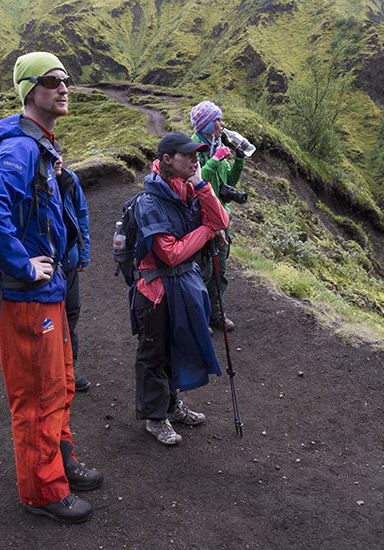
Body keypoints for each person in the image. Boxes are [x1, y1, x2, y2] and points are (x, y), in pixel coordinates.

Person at [0, 51, 102, 524]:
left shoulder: (40, 145)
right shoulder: (20, 148)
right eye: (51, 81)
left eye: (66, 79)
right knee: (38, 398)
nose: (64, 87)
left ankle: (61, 462)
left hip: (50, 296)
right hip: (27, 300)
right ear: (29, 90)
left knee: (61, 384)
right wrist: (24, 267)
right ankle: (43, 491)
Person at [131, 131, 229, 446]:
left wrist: (202, 185)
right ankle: (155, 418)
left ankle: (172, 406)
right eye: (188, 155)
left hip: (182, 285)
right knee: (154, 353)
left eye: (196, 154)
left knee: (174, 347)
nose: (194, 159)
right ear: (167, 160)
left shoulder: (187, 190)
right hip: (156, 291)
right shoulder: (149, 202)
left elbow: (221, 220)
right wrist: (205, 231)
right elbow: (169, 253)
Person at [190, 100, 246, 332]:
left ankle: (216, 313)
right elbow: (196, 182)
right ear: (206, 124)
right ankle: (199, 317)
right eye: (218, 120)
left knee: (220, 268)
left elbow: (229, 182)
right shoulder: (194, 147)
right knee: (203, 269)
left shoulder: (217, 144)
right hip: (202, 218)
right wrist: (215, 159)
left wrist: (239, 158)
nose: (222, 125)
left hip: (223, 216)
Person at [54, 150, 92, 393]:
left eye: (58, 153)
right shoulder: (31, 183)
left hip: (68, 261)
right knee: (48, 321)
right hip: (47, 267)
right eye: (50, 154)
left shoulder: (69, 179)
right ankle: (51, 374)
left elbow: (81, 214)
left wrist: (84, 252)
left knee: (70, 314)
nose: (57, 158)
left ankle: (68, 370)